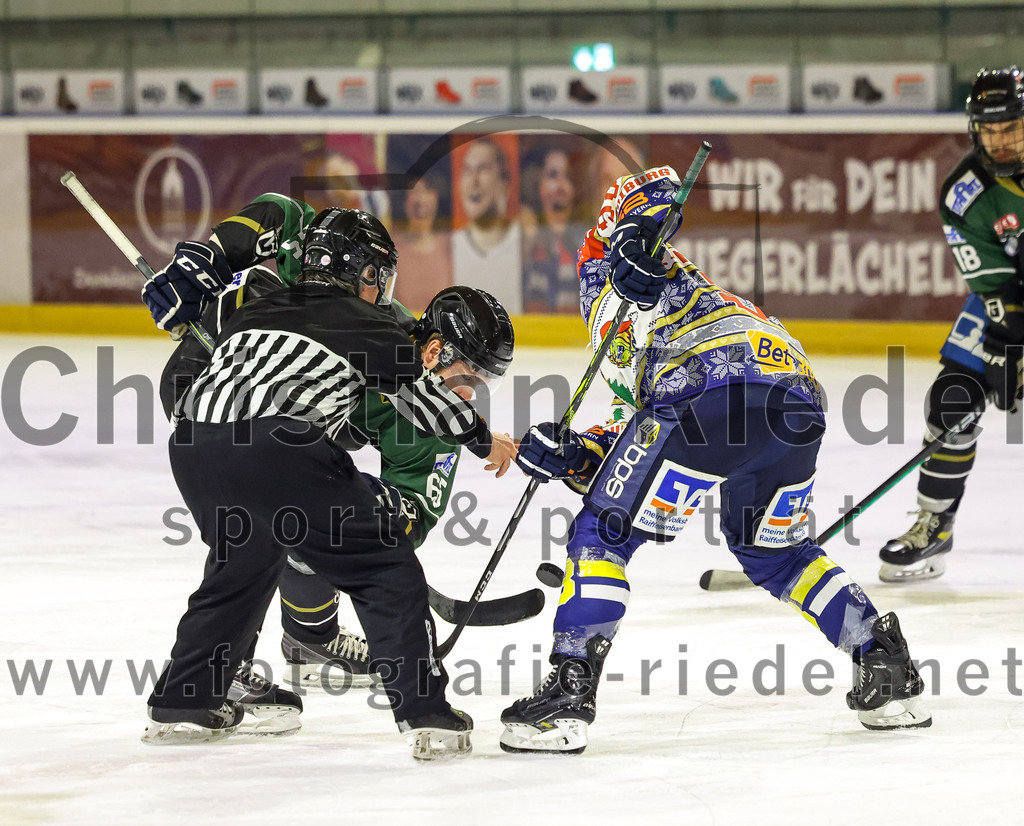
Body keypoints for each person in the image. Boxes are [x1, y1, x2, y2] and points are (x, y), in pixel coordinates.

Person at [499, 165, 931, 755]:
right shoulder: (690, 300)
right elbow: (640, 433)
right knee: (776, 553)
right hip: (794, 396)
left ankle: (569, 694)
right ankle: (885, 666)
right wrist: (577, 452)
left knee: (603, 530)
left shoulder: (610, 267)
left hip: (707, 391)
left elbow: (657, 192)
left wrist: (633, 237)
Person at [140, 200, 516, 759]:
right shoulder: (369, 322)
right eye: (380, 277)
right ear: (364, 274)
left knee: (238, 571)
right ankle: (426, 713)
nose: (384, 291)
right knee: (385, 569)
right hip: (277, 448)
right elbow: (428, 403)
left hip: (194, 446)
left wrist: (202, 274)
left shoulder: (255, 304)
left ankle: (183, 703)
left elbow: (214, 330)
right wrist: (488, 441)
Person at [878, 66, 1024, 583]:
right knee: (951, 403)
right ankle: (934, 524)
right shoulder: (966, 192)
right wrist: (1008, 339)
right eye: (990, 130)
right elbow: (995, 288)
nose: (1000, 141)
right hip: (1008, 303)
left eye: (1012, 127)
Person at [452, 138, 523, 313]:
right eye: (467, 171)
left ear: (504, 182)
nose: (473, 181)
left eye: (483, 169)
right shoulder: (448, 247)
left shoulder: (526, 242)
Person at [520, 145, 587, 313]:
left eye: (568, 177)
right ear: (538, 186)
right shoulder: (524, 240)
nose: (561, 187)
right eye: (552, 176)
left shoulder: (588, 241)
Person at [391, 173, 454, 313]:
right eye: (414, 192)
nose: (421, 199)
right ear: (404, 201)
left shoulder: (451, 247)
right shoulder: (390, 249)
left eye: (428, 190)